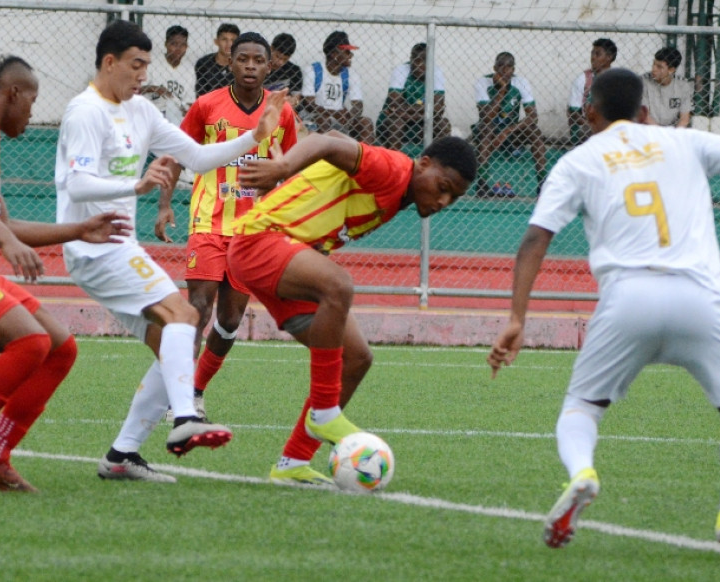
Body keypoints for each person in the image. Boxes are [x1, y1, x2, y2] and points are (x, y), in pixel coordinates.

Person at [487, 68, 720, 561]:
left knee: (583, 409)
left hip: (627, 300)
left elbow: (535, 238)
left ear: (589, 113)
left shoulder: (578, 161)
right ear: (645, 111)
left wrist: (516, 318)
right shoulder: (684, 141)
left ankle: (583, 474)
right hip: (699, 299)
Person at [56, 20, 286, 482]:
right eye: (136, 66)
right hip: (93, 244)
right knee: (186, 316)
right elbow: (75, 183)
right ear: (109, 62)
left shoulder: (140, 111)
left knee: (172, 343)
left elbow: (198, 157)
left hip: (117, 246)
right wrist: (137, 184)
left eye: (147, 66)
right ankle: (186, 418)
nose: (143, 76)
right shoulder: (84, 112)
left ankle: (122, 456)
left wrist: (256, 136)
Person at [0, 55, 131, 497]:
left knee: (59, 348)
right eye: (32, 100)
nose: (33, 113)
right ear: (12, 92)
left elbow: (3, 224)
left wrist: (77, 230)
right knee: (31, 342)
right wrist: (8, 245)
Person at [232, 133, 477, 485]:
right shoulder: (394, 170)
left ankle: (292, 464)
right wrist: (283, 167)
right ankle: (325, 412)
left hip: (286, 255)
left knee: (357, 358)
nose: (443, 200)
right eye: (442, 186)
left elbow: (334, 139)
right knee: (338, 285)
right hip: (260, 241)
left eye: (453, 197)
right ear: (423, 163)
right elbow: (328, 143)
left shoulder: (399, 192)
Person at [156, 32, 298, 421]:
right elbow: (178, 156)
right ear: (229, 62)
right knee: (198, 307)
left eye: (258, 60)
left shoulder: (281, 112)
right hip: (207, 221)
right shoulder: (206, 106)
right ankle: (180, 399)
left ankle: (197, 389)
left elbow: (291, 164)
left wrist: (283, 192)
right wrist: (165, 205)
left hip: (253, 230)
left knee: (230, 320)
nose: (250, 66)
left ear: (270, 67)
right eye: (243, 59)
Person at [472, 51, 548, 195]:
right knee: (487, 128)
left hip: (511, 132)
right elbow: (487, 117)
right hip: (489, 131)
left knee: (535, 132)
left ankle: (543, 182)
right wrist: (501, 91)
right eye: (501, 66)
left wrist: (507, 131)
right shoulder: (482, 82)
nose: (505, 70)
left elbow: (533, 116)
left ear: (513, 70)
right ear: (494, 68)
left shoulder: (521, 82)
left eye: (509, 67)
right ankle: (482, 184)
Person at [300, 30, 374, 144]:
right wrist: (333, 113)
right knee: (323, 120)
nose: (351, 55)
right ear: (334, 54)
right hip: (314, 116)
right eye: (347, 52)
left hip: (340, 118)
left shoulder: (351, 74)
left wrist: (350, 116)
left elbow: (358, 104)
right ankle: (321, 159)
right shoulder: (313, 70)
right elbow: (308, 104)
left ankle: (366, 159)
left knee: (366, 122)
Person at [376, 42, 451, 152]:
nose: (421, 65)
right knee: (397, 123)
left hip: (420, 123)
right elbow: (394, 105)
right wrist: (427, 110)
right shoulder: (401, 70)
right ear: (411, 60)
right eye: (417, 60)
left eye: (425, 61)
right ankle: (394, 161)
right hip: (395, 121)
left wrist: (408, 114)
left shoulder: (436, 72)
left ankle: (440, 162)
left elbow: (439, 108)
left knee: (443, 125)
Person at [140, 25, 196, 126]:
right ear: (166, 44)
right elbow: (137, 90)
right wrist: (153, 88)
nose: (178, 48)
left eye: (182, 45)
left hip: (176, 115)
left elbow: (189, 101)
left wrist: (186, 109)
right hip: (153, 111)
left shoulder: (189, 69)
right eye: (174, 44)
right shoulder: (153, 63)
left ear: (187, 47)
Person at [567, 38, 617, 146]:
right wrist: (593, 126)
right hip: (586, 126)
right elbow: (574, 113)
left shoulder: (618, 80)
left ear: (609, 57)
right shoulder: (583, 79)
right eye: (592, 53)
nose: (592, 57)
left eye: (597, 54)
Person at [641, 47, 693, 128]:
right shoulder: (643, 81)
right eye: (653, 64)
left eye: (659, 67)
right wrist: (663, 135)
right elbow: (645, 116)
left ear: (671, 70)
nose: (653, 69)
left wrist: (674, 136)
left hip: (673, 131)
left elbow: (684, 119)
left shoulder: (682, 85)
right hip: (649, 129)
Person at [195, 23, 239, 97]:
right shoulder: (204, 63)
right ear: (216, 41)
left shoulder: (240, 65)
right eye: (224, 39)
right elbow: (200, 92)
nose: (229, 44)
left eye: (233, 40)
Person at [264, 33, 303, 106]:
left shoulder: (294, 71)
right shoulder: (259, 67)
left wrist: (294, 101)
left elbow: (296, 97)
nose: (280, 63)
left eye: (285, 59)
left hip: (283, 109)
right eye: (277, 56)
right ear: (271, 48)